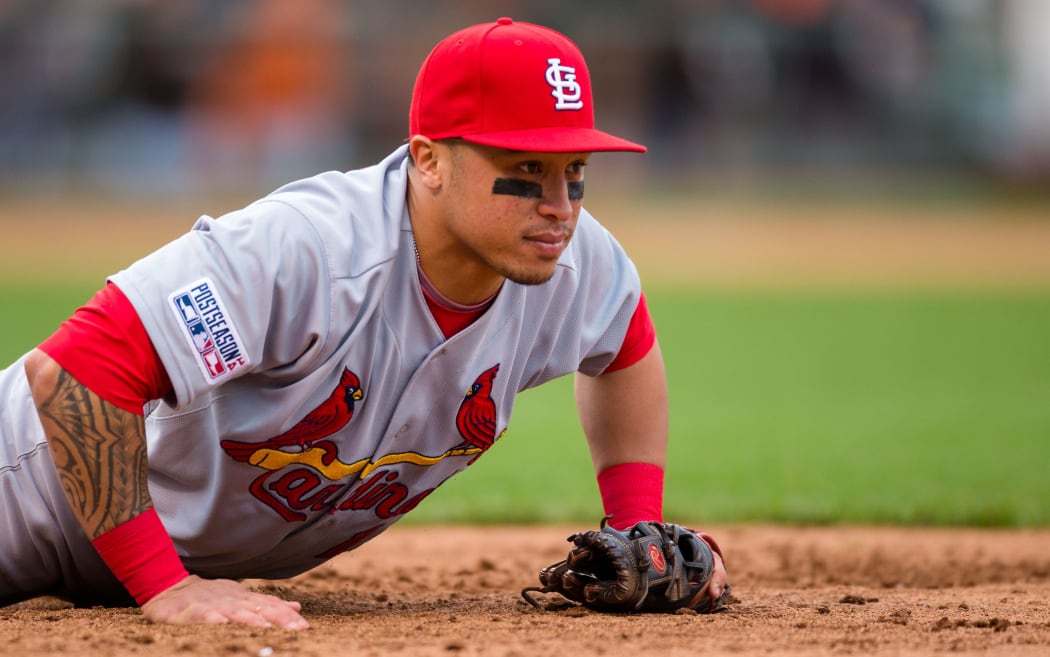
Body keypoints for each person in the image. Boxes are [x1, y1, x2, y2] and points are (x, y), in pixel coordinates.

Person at [0, 17, 728, 629]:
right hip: (24, 499)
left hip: (151, 540)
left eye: (575, 170)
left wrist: (638, 524)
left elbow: (625, 342)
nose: (560, 204)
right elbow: (72, 372)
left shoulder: (572, 258)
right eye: (526, 166)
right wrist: (163, 585)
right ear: (429, 159)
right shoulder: (306, 250)